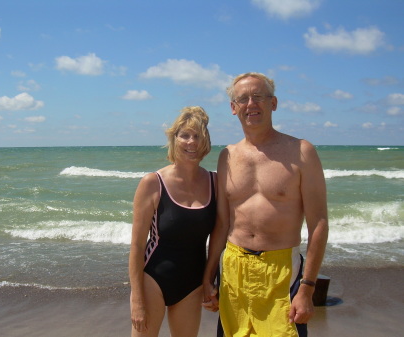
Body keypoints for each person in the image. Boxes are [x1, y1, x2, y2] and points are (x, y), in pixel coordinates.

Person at [202, 72, 329, 337]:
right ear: (233, 108)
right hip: (234, 271)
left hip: (282, 273)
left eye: (258, 96)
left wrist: (307, 287)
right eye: (243, 99)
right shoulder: (227, 156)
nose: (252, 104)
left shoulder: (301, 152)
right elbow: (223, 223)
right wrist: (208, 278)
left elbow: (318, 223)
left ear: (273, 103)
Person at [129, 106, 217, 337]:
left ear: (205, 141)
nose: (191, 142)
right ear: (174, 139)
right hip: (153, 279)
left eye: (197, 136)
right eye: (185, 135)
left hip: (193, 282)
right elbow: (137, 245)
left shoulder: (215, 183)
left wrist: (210, 279)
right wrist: (136, 298)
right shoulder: (153, 182)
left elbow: (221, 235)